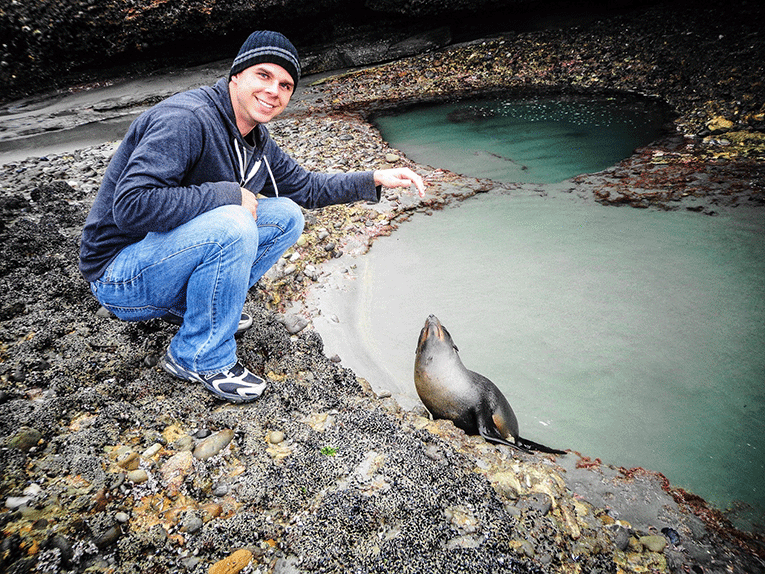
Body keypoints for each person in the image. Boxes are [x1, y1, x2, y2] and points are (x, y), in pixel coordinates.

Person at [79, 30, 425, 403]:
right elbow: (132, 207)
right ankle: (199, 356)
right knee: (234, 221)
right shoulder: (186, 119)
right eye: (263, 75)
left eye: (285, 84)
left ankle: (196, 310)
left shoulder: (256, 140)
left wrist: (374, 178)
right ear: (236, 76)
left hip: (162, 259)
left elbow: (306, 189)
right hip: (119, 277)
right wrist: (227, 195)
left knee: (286, 216)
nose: (274, 90)